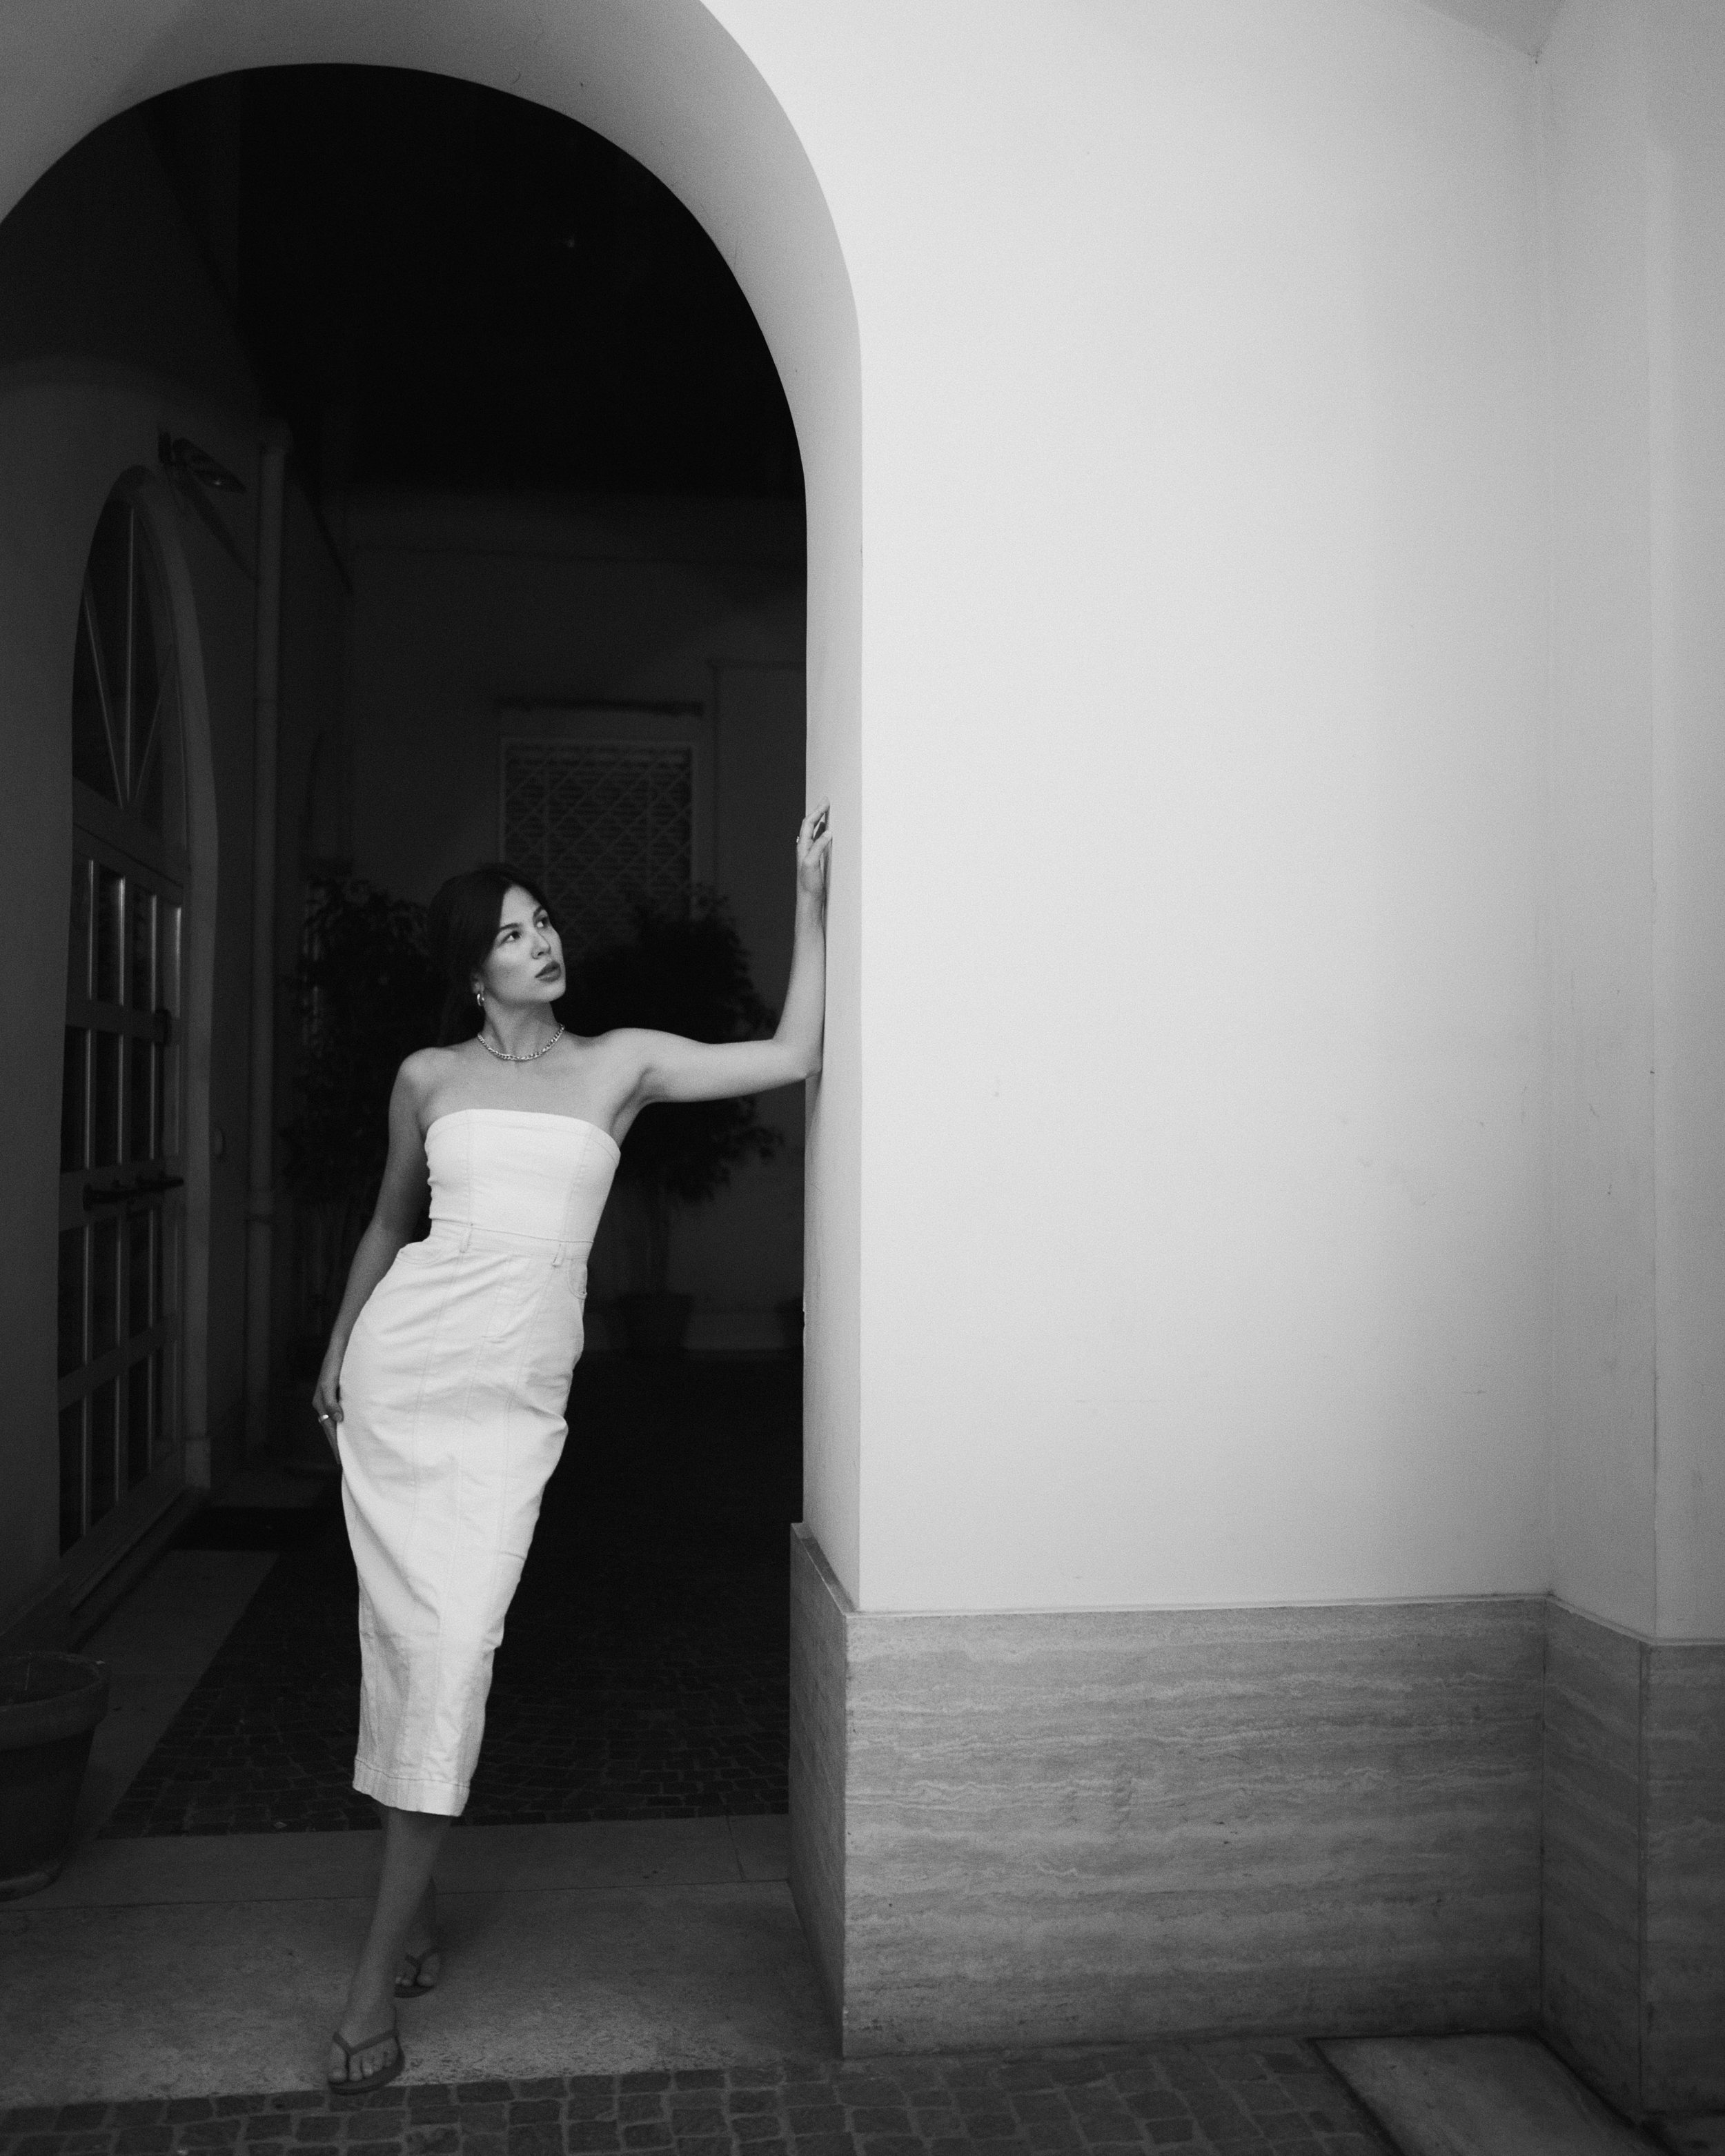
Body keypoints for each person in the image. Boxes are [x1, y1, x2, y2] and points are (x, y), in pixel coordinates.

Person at [310, 806, 831, 2092]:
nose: (538, 942)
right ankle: (397, 1940)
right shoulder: (428, 1079)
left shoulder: (621, 1063)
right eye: (508, 933)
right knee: (404, 1644)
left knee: (456, 1642)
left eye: (542, 921)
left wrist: (810, 897)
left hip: (509, 1404)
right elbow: (388, 1226)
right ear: (468, 967)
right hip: (405, 1374)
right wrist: (334, 1351)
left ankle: (376, 1967)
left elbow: (793, 1049)